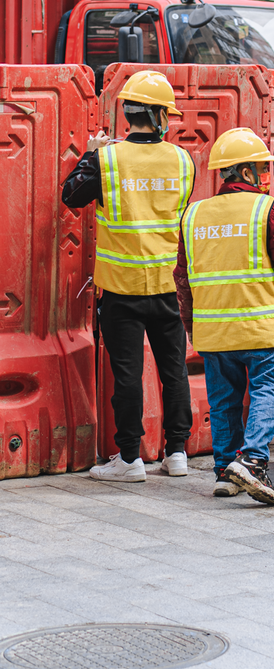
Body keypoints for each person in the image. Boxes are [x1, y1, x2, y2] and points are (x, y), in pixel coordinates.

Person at [61, 71, 195, 483]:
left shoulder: (107, 159)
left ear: (128, 114)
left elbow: (71, 195)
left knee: (127, 375)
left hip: (120, 289)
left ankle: (130, 458)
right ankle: (176, 453)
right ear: (158, 116)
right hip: (163, 287)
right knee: (173, 370)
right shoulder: (182, 160)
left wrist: (90, 152)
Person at [174, 129, 274, 505]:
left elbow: (183, 280)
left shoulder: (194, 215)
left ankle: (226, 471)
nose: (265, 175)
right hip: (262, 328)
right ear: (248, 172)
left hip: (215, 333)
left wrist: (192, 325)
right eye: (261, 167)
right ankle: (253, 461)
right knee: (268, 391)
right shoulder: (269, 210)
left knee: (223, 402)